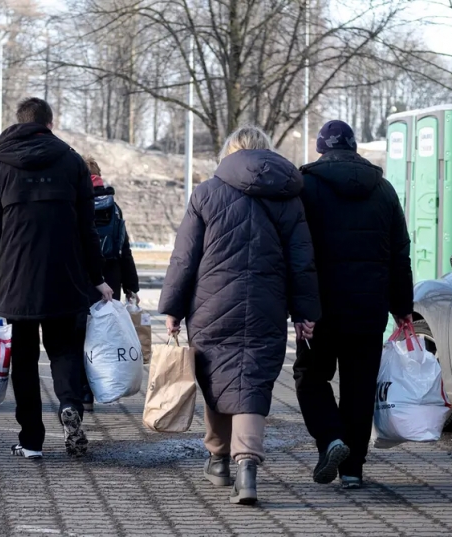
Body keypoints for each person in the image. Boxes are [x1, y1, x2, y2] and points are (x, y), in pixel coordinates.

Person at [158, 126, 320, 505]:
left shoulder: (207, 192)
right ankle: (247, 466)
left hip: (212, 305)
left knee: (217, 378)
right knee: (254, 383)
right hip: (267, 304)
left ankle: (218, 458)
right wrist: (305, 312)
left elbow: (185, 257)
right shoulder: (289, 196)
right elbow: (302, 262)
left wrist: (173, 309)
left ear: (230, 151)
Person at [0, 98, 113, 460]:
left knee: (25, 359)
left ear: (19, 122)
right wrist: (98, 278)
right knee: (63, 350)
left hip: (15, 278)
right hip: (65, 274)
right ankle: (69, 406)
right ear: (50, 122)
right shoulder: (72, 160)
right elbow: (86, 229)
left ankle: (31, 441)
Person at [294, 120, 413, 489]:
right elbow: (399, 255)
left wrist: (299, 306)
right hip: (368, 308)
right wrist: (403, 307)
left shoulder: (305, 187)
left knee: (310, 376)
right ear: (354, 146)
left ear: (320, 148)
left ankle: (332, 439)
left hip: (320, 310)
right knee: (359, 387)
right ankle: (353, 470)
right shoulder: (384, 189)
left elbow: (298, 253)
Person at [82, 156, 140, 412]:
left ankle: (84, 393)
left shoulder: (75, 201)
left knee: (80, 336)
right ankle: (106, 384)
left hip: (83, 278)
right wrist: (131, 287)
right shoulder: (114, 207)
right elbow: (124, 248)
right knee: (105, 336)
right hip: (111, 278)